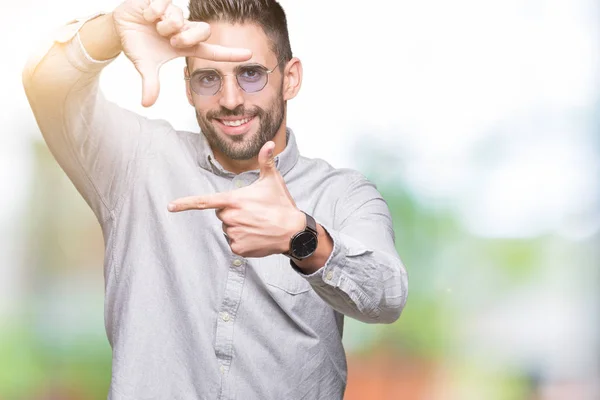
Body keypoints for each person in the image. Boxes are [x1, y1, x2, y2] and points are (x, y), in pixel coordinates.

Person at [22, 0, 408, 398]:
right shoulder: (137, 161)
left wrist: (301, 236)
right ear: (187, 87)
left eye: (251, 74)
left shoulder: (343, 194)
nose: (230, 99)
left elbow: (386, 296)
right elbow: (49, 86)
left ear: (290, 78)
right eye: (208, 78)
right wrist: (109, 30)